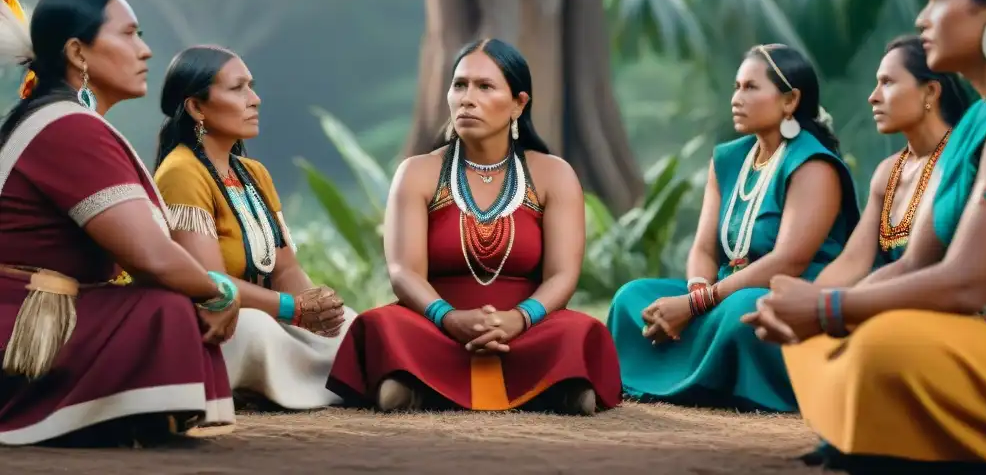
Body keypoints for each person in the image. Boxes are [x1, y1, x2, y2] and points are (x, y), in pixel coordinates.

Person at [749, 0, 986, 473]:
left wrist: (829, 308)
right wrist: (818, 310)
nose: (922, 18)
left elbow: (967, 281)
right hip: (963, 328)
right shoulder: (976, 123)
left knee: (884, 345)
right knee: (838, 337)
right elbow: (914, 264)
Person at [0, 0, 239, 447]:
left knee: (170, 302)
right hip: (21, 323)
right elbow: (151, 258)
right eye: (130, 34)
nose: (146, 51)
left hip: (39, 307)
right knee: (165, 308)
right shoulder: (67, 127)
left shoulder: (64, 120)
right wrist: (220, 292)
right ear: (78, 52)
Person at [327, 39, 622, 414]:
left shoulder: (553, 174)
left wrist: (518, 319)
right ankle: (551, 390)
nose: (467, 98)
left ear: (518, 104)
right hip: (435, 326)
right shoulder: (418, 172)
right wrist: (448, 318)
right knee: (383, 325)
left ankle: (419, 385)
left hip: (525, 330)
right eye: (460, 85)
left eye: (485, 87)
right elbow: (403, 271)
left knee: (580, 331)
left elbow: (563, 275)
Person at [606, 43, 860, 412]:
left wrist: (695, 305)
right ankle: (692, 374)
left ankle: (705, 381)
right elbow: (705, 250)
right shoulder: (728, 158)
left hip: (782, 297)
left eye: (750, 88)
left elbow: (787, 261)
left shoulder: (813, 165)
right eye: (736, 86)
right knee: (632, 296)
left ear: (790, 101)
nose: (736, 98)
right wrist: (695, 293)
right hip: (719, 295)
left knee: (743, 311)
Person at [153, 45, 354, 410]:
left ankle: (310, 382)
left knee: (350, 326)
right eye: (238, 88)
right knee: (256, 332)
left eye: (252, 86)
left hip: (272, 311)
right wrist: (293, 310)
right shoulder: (181, 171)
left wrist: (317, 311)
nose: (255, 99)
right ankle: (325, 384)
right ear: (196, 107)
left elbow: (286, 268)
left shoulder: (253, 173)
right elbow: (211, 283)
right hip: (218, 321)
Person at [811, 35, 969, 288]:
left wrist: (829, 306)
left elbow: (921, 269)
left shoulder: (961, 159)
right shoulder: (888, 172)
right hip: (887, 301)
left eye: (887, 82)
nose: (872, 97)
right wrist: (805, 302)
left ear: (930, 91)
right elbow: (852, 262)